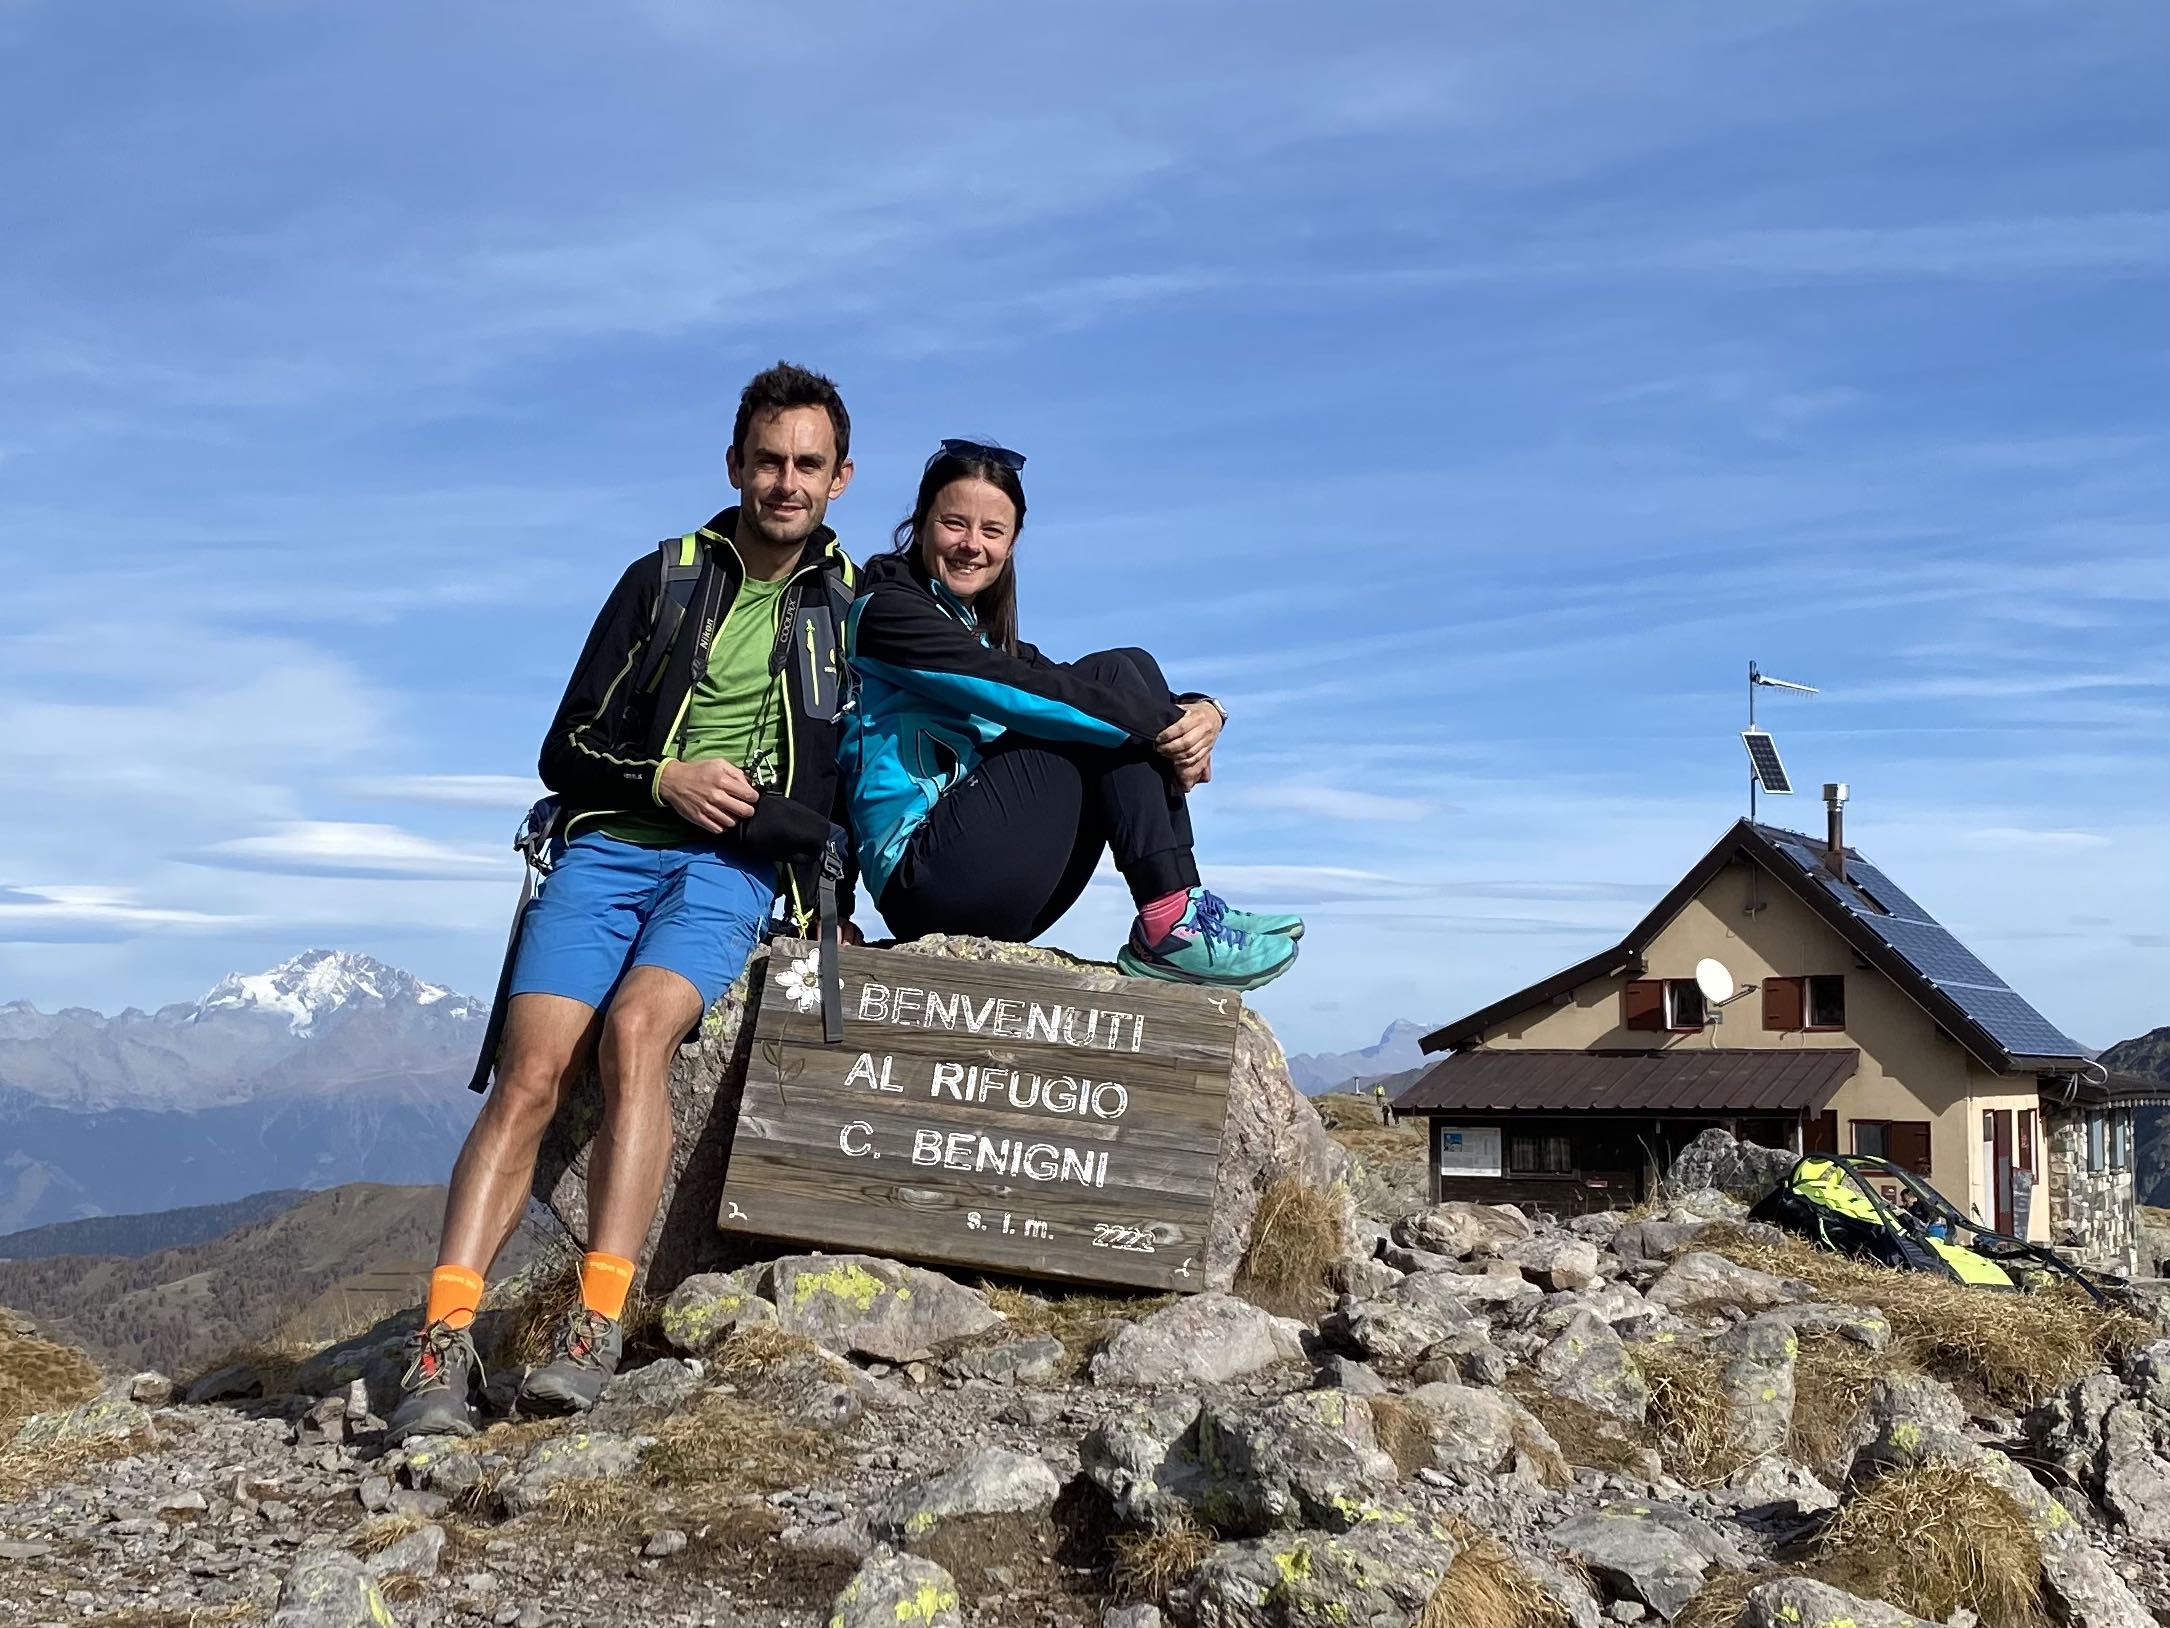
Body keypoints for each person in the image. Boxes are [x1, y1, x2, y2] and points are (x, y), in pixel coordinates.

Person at [387, 362, 861, 1442]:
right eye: (768, 460)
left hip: (732, 871)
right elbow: (563, 746)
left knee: (637, 1035)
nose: (785, 481)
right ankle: (441, 1336)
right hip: (608, 849)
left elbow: (886, 742)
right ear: (735, 464)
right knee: (531, 1071)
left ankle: (595, 1318)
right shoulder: (664, 578)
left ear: (840, 476)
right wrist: (664, 776)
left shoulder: (852, 608)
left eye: (807, 464)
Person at [842, 439, 1300, 987]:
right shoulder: (887, 614)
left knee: (1125, 671)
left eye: (993, 532)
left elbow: (1060, 682)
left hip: (1001, 881)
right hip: (922, 876)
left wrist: (1205, 711)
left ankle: (1181, 910)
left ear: (1011, 544)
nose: (972, 545)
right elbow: (1020, 691)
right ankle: (1171, 920)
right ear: (920, 525)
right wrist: (1165, 730)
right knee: (1106, 689)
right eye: (954, 524)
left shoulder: (980, 635)